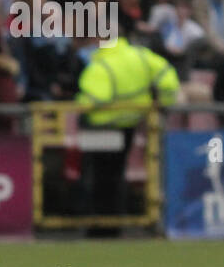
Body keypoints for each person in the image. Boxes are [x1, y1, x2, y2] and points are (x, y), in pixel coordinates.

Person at [75, 14, 179, 223]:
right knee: (117, 172)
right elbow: (168, 80)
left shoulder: (100, 65)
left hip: (100, 127)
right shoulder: (141, 56)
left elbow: (91, 100)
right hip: (130, 125)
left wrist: (78, 105)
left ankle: (99, 224)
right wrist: (163, 105)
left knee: (96, 175)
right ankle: (117, 220)